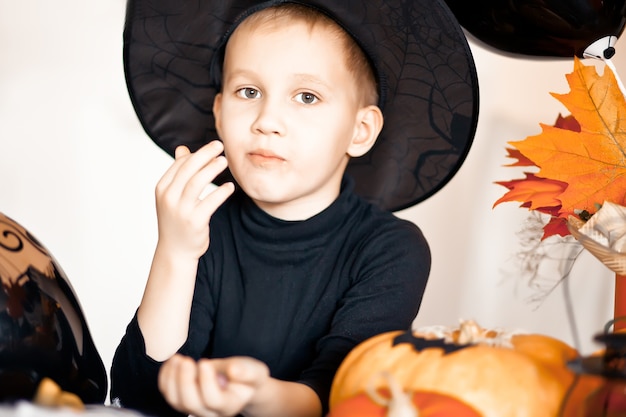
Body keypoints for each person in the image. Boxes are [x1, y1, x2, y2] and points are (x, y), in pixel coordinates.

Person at [111, 1, 478, 416]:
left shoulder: (391, 249)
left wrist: (256, 397)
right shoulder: (204, 230)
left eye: (306, 96)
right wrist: (175, 254)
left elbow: (343, 395)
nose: (267, 120)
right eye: (248, 92)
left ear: (360, 131)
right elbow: (134, 399)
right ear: (218, 112)